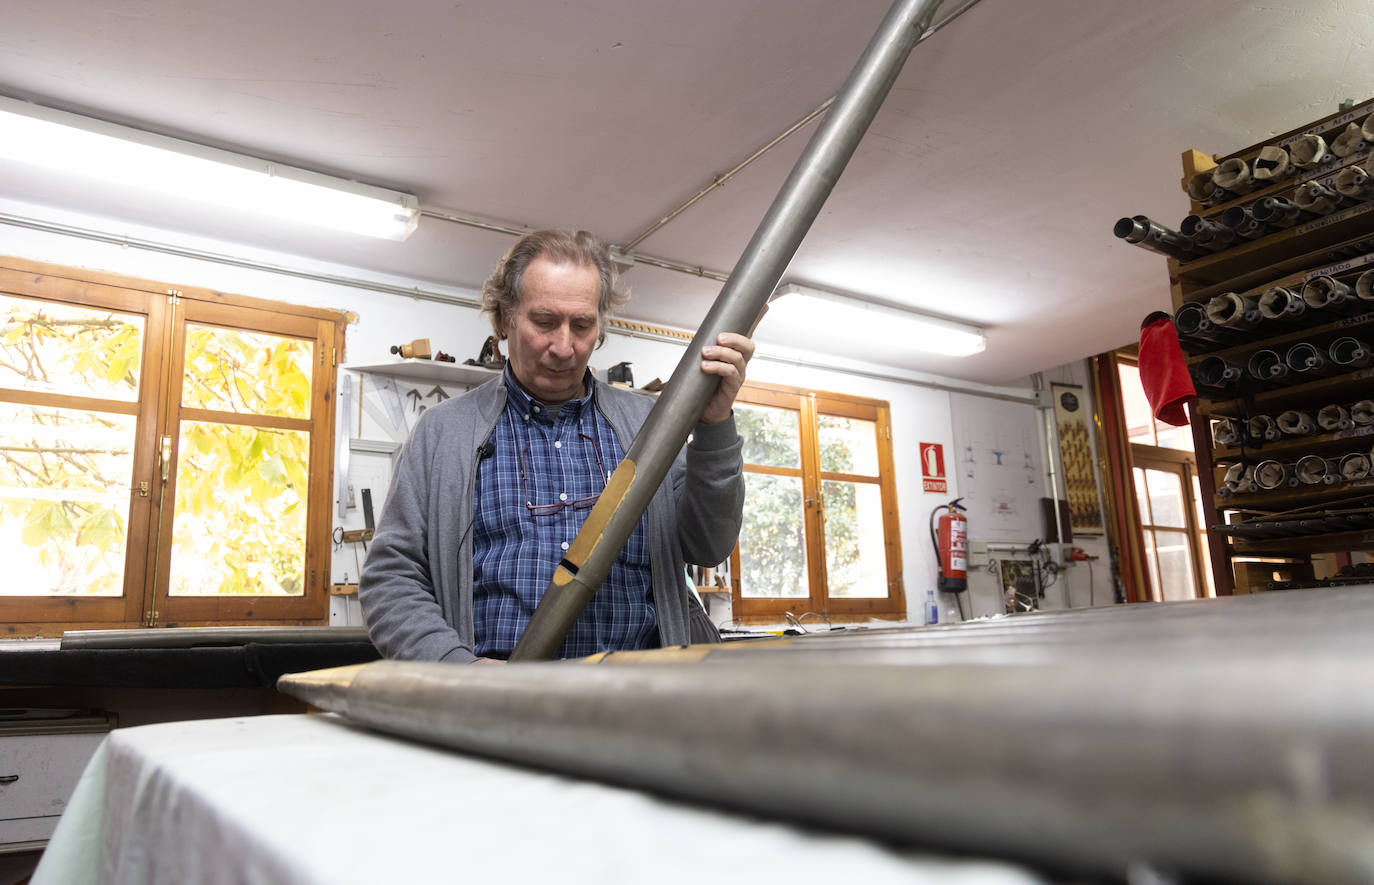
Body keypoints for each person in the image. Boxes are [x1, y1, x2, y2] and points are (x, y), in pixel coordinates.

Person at [360, 229, 753, 662]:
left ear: (599, 328)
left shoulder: (651, 426)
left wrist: (714, 427)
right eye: (544, 322)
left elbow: (708, 545)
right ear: (505, 318)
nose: (564, 347)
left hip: (640, 704)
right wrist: (454, 669)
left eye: (582, 325)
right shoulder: (443, 433)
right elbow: (391, 579)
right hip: (497, 710)